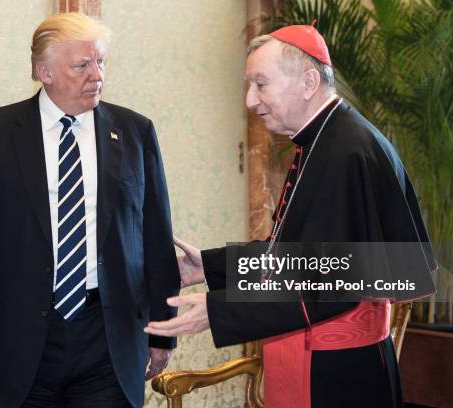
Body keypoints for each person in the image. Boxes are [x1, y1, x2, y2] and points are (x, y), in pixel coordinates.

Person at [145, 24, 435, 408]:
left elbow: (330, 282)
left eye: (261, 84)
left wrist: (218, 310)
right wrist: (212, 268)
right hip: (318, 357)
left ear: (308, 81)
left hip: (338, 374)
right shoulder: (324, 139)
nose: (250, 100)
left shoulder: (346, 152)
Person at [0, 13, 180, 408]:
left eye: (101, 61)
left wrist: (162, 333)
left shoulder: (135, 132)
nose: (97, 75)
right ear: (44, 71)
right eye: (82, 65)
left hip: (108, 336)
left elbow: (155, 239)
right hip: (22, 341)